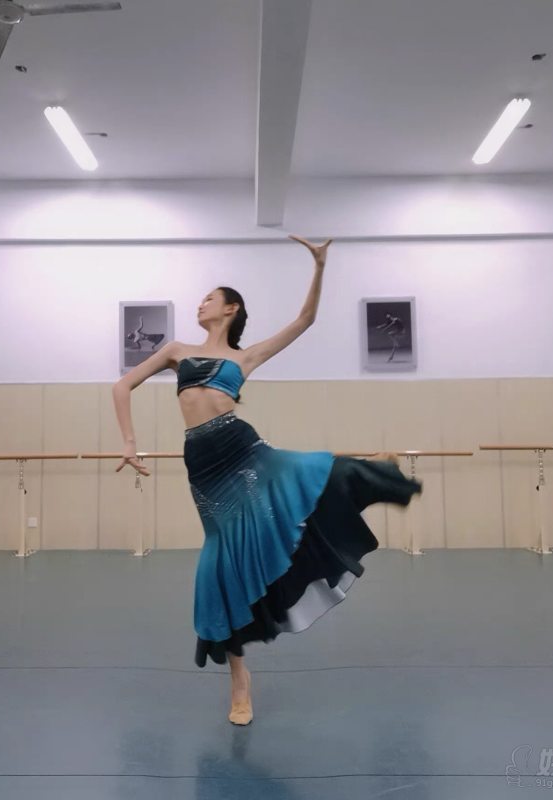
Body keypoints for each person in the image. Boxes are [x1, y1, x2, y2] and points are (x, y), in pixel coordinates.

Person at [111, 235, 423, 726]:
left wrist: (319, 265)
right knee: (221, 563)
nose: (200, 304)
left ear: (230, 308)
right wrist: (129, 442)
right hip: (205, 465)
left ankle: (372, 469)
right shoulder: (176, 350)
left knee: (302, 475)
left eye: (209, 298)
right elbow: (122, 385)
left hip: (241, 445)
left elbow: (304, 321)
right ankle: (240, 678)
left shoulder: (246, 357)